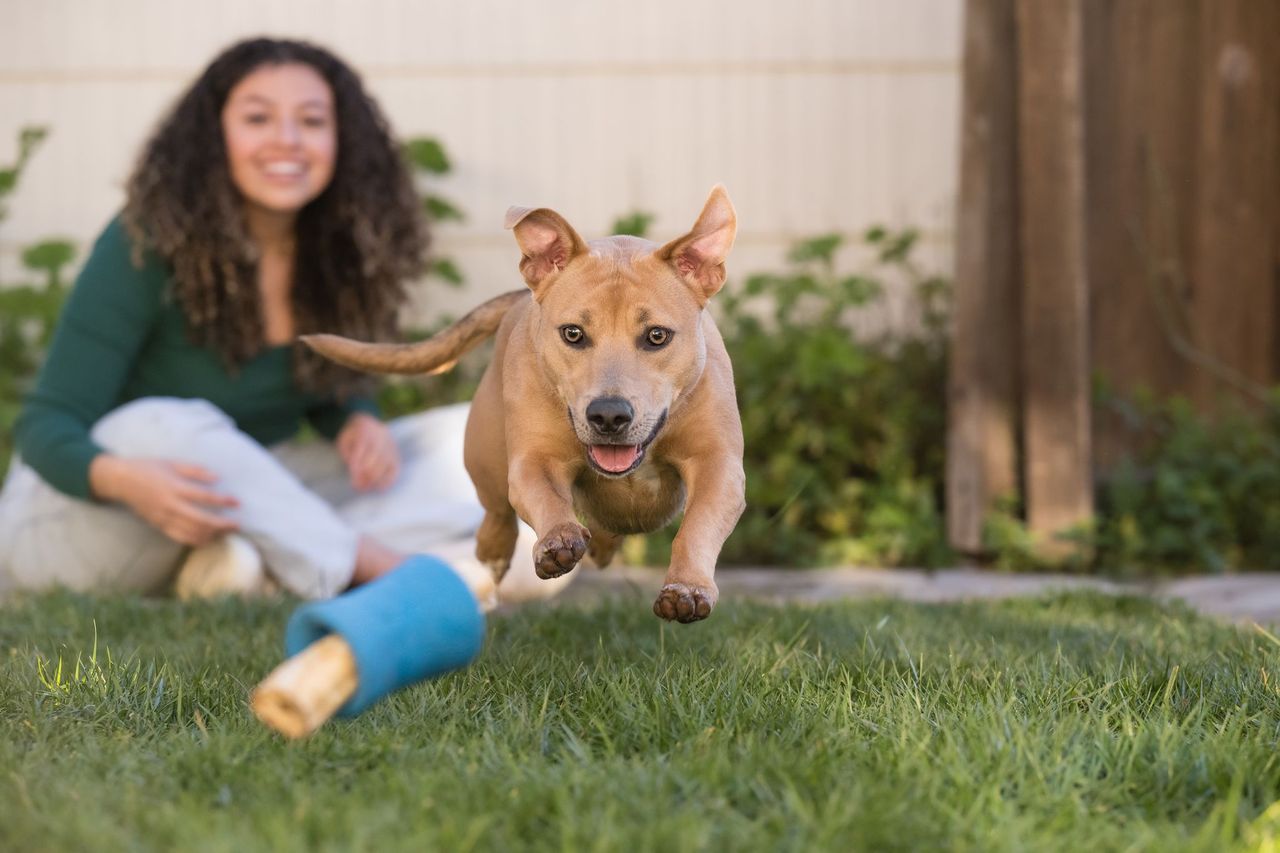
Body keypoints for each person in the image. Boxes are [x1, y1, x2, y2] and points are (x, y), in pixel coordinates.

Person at [0, 37, 565, 603]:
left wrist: (354, 420)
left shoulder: (334, 253)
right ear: (213, 135)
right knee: (167, 424)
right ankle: (387, 573)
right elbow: (46, 426)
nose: (287, 140)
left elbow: (313, 393)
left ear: (341, 139)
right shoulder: (144, 244)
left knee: (468, 435)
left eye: (312, 120)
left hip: (230, 510)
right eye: (258, 118)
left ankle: (250, 572)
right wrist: (126, 480)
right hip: (79, 521)